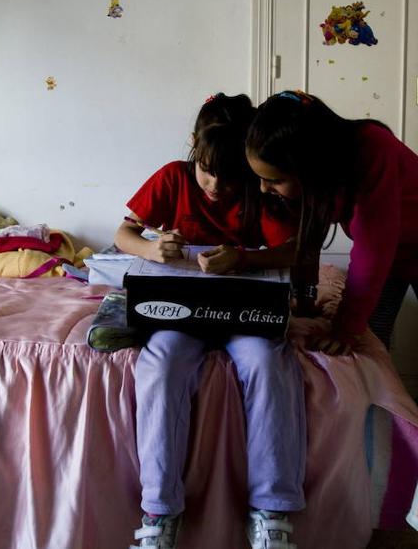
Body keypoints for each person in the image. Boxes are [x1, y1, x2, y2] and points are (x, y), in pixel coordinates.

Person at [114, 93, 303, 549]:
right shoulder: (172, 178)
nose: (216, 185)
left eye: (229, 176)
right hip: (180, 309)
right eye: (206, 170)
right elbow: (123, 234)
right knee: (161, 364)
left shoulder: (260, 188)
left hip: (244, 309)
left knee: (266, 362)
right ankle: (158, 514)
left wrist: (243, 258)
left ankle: (271, 513)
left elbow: (295, 249)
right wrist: (150, 248)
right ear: (193, 151)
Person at [245, 89, 418, 388]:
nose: (264, 189)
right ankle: (378, 425)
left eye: (274, 181)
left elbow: (374, 248)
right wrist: (304, 296)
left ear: (310, 167)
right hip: (389, 254)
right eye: (260, 179)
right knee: (369, 344)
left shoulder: (373, 149)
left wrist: (345, 328)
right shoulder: (313, 179)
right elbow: (307, 237)